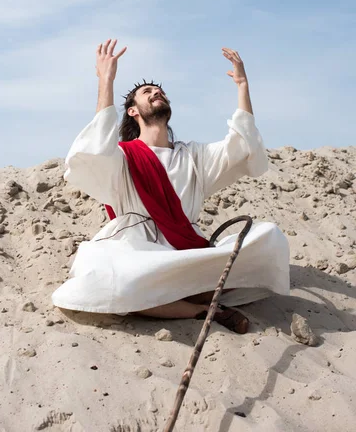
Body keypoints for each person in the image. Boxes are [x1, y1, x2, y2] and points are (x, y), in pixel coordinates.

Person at [52, 40, 290, 334]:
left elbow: (242, 146)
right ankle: (203, 309)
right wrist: (106, 80)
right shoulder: (123, 155)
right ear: (132, 111)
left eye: (160, 91)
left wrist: (242, 86)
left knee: (270, 237)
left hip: (185, 249)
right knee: (104, 269)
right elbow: (94, 151)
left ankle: (184, 290)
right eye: (147, 92)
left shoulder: (192, 156)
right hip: (136, 249)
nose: (156, 93)